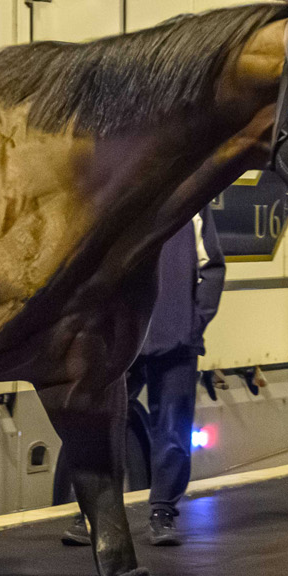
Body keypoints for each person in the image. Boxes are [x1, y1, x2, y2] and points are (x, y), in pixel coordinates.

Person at [60, 209, 225, 547]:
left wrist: (194, 324)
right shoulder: (125, 198)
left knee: (173, 430)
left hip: (177, 340)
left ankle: (162, 512)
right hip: (121, 338)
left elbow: (213, 268)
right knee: (103, 426)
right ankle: (93, 512)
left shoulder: (193, 206)